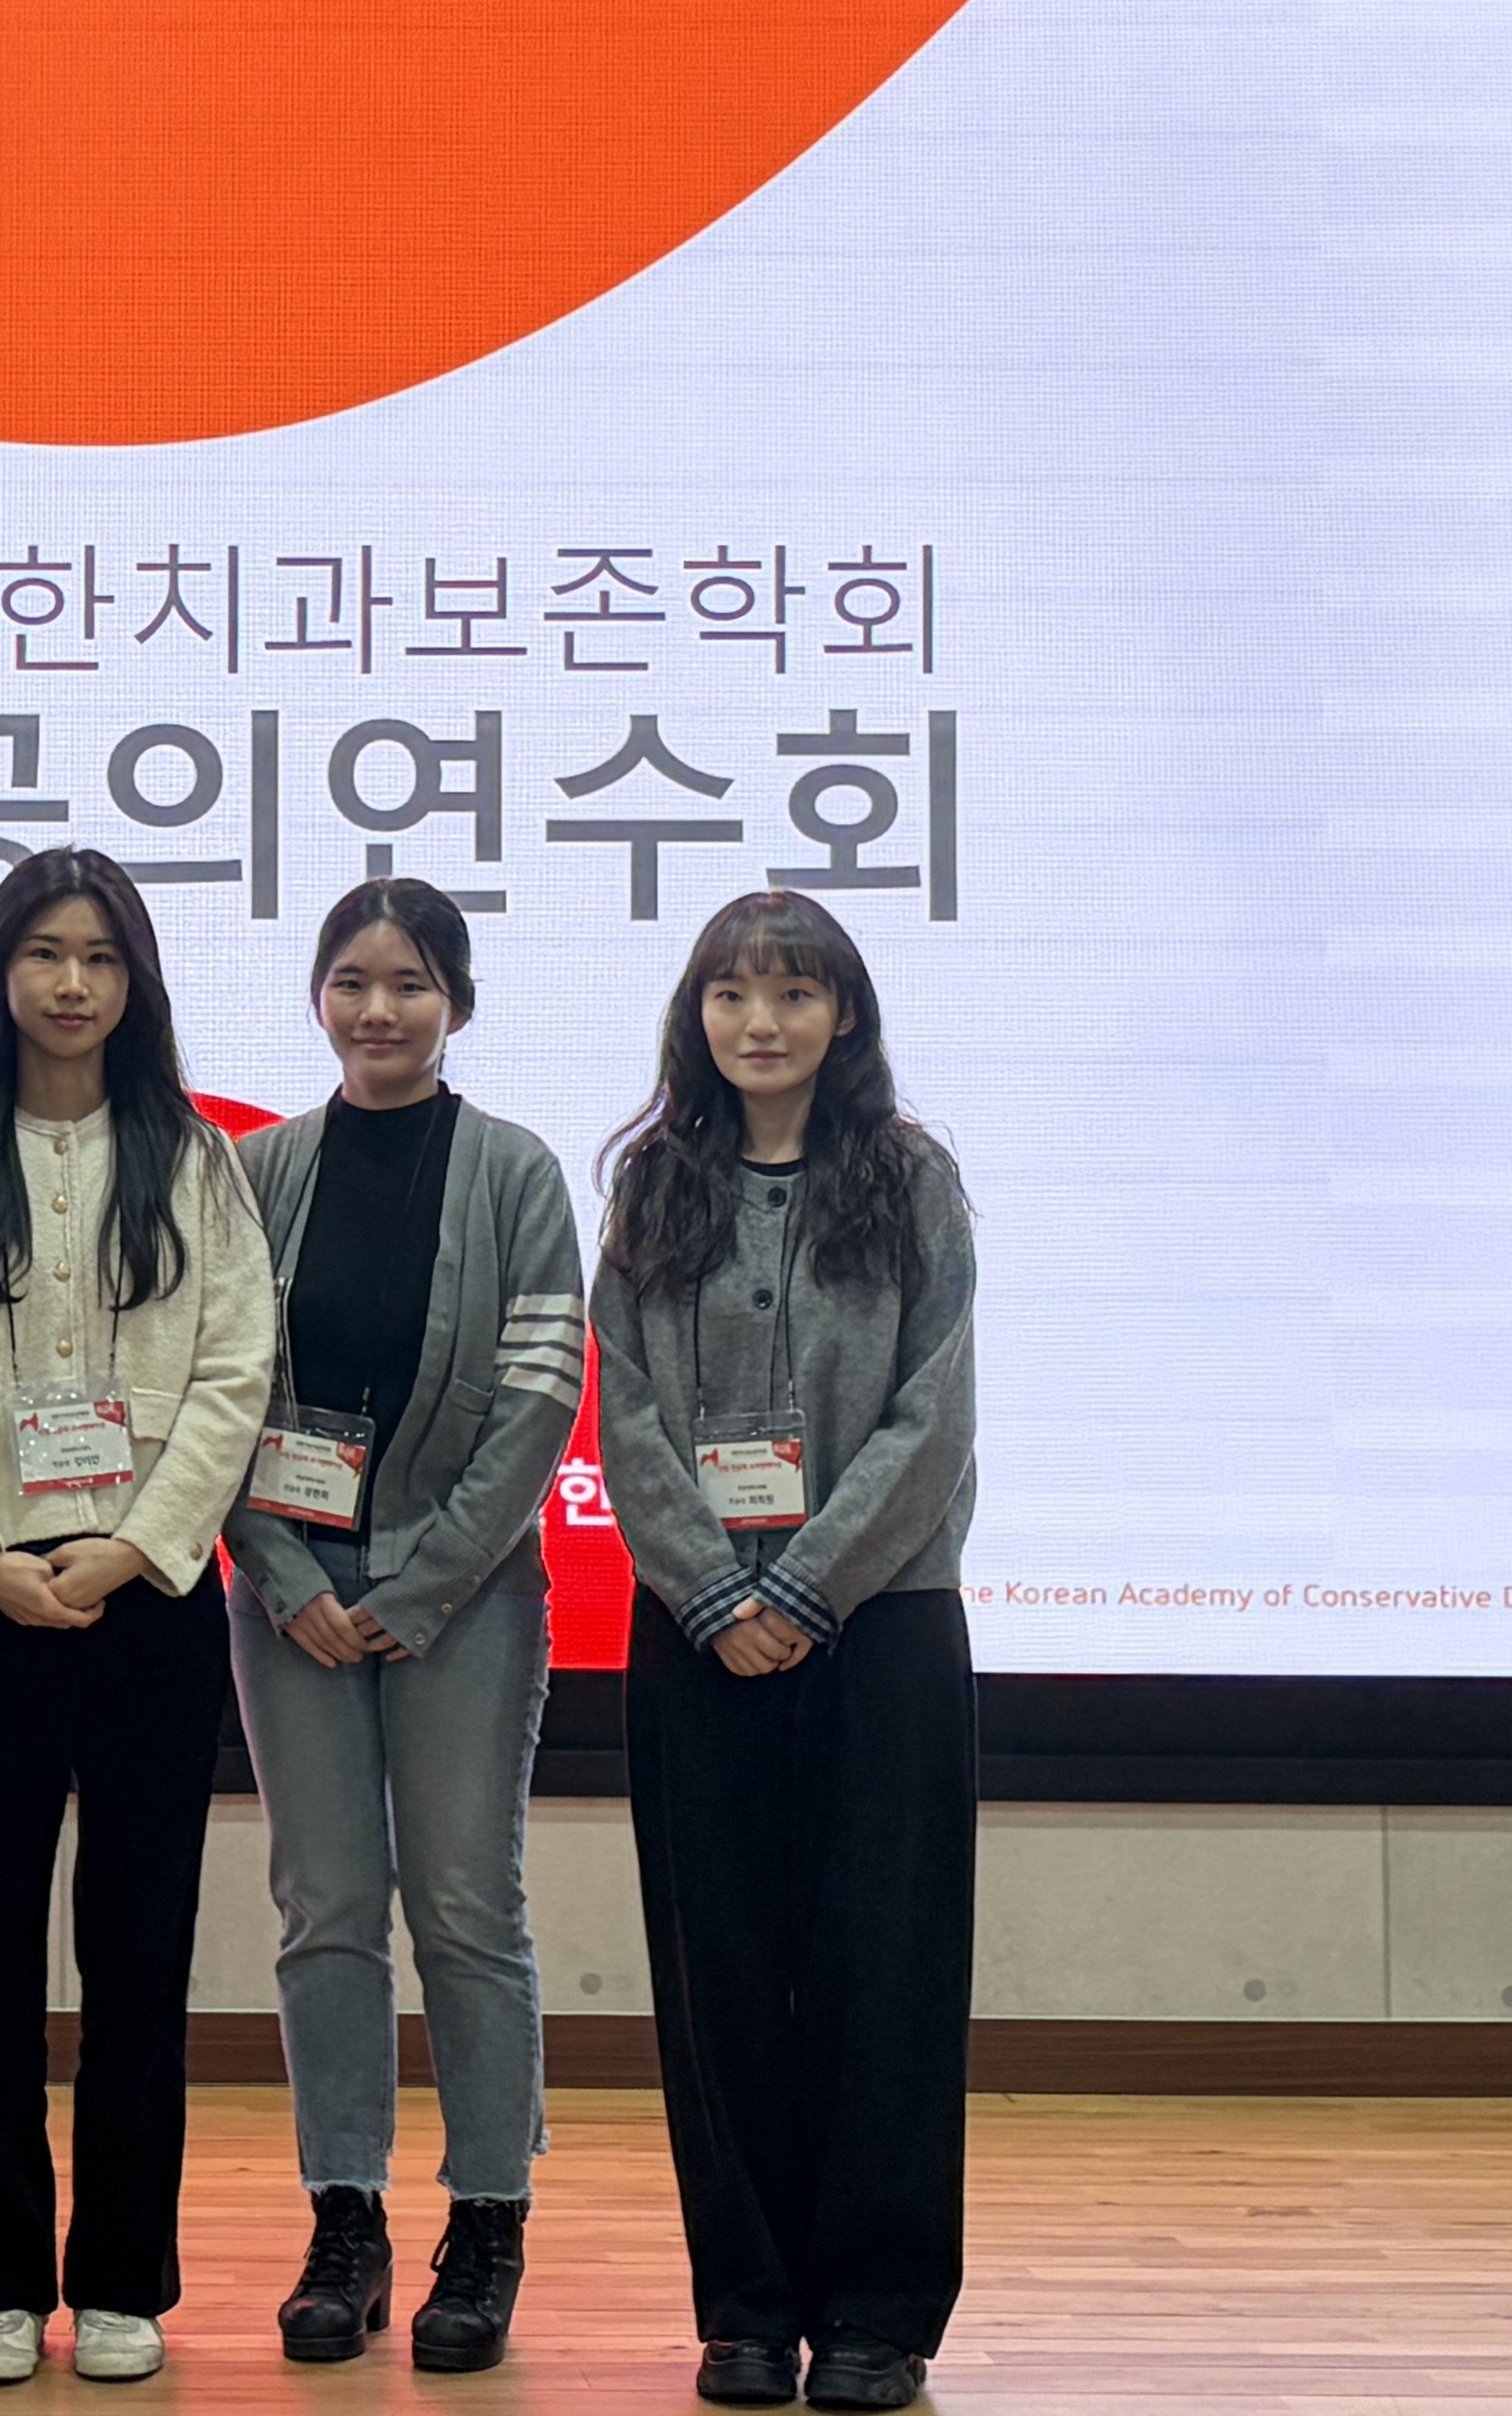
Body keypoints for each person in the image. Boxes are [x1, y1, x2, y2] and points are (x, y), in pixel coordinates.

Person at [589, 891, 979, 2415]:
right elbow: (622, 1412)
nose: (761, 1023)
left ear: (844, 1018)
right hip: (694, 1634)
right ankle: (746, 2307)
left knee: (885, 1967)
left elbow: (930, 1413)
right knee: (722, 1972)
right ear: (696, 1018)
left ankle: (879, 2314)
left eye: (794, 995)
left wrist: (805, 1586)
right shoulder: (653, 1185)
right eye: (732, 995)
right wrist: (711, 1590)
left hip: (879, 1627)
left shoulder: (907, 1178)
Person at [222, 878, 587, 2375]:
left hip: (465, 1596)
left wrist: (423, 1579)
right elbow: (211, 1396)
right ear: (318, 996)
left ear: (458, 1002)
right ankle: (345, 2216)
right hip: (287, 1596)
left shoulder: (515, 1170)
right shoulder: (251, 1173)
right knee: (321, 1908)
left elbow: (540, 1395)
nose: (381, 1009)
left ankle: (487, 2219)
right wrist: (288, 1574)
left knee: (464, 1907)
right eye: (353, 980)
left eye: (413, 982)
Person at [0, 847, 275, 2387]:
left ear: (136, 983)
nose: (71, 985)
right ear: (1, 974)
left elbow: (234, 1370)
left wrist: (131, 1549)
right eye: (43, 954)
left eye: (100, 957)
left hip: (145, 1607)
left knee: (138, 1953)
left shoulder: (194, 1158)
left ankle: (123, 2271)